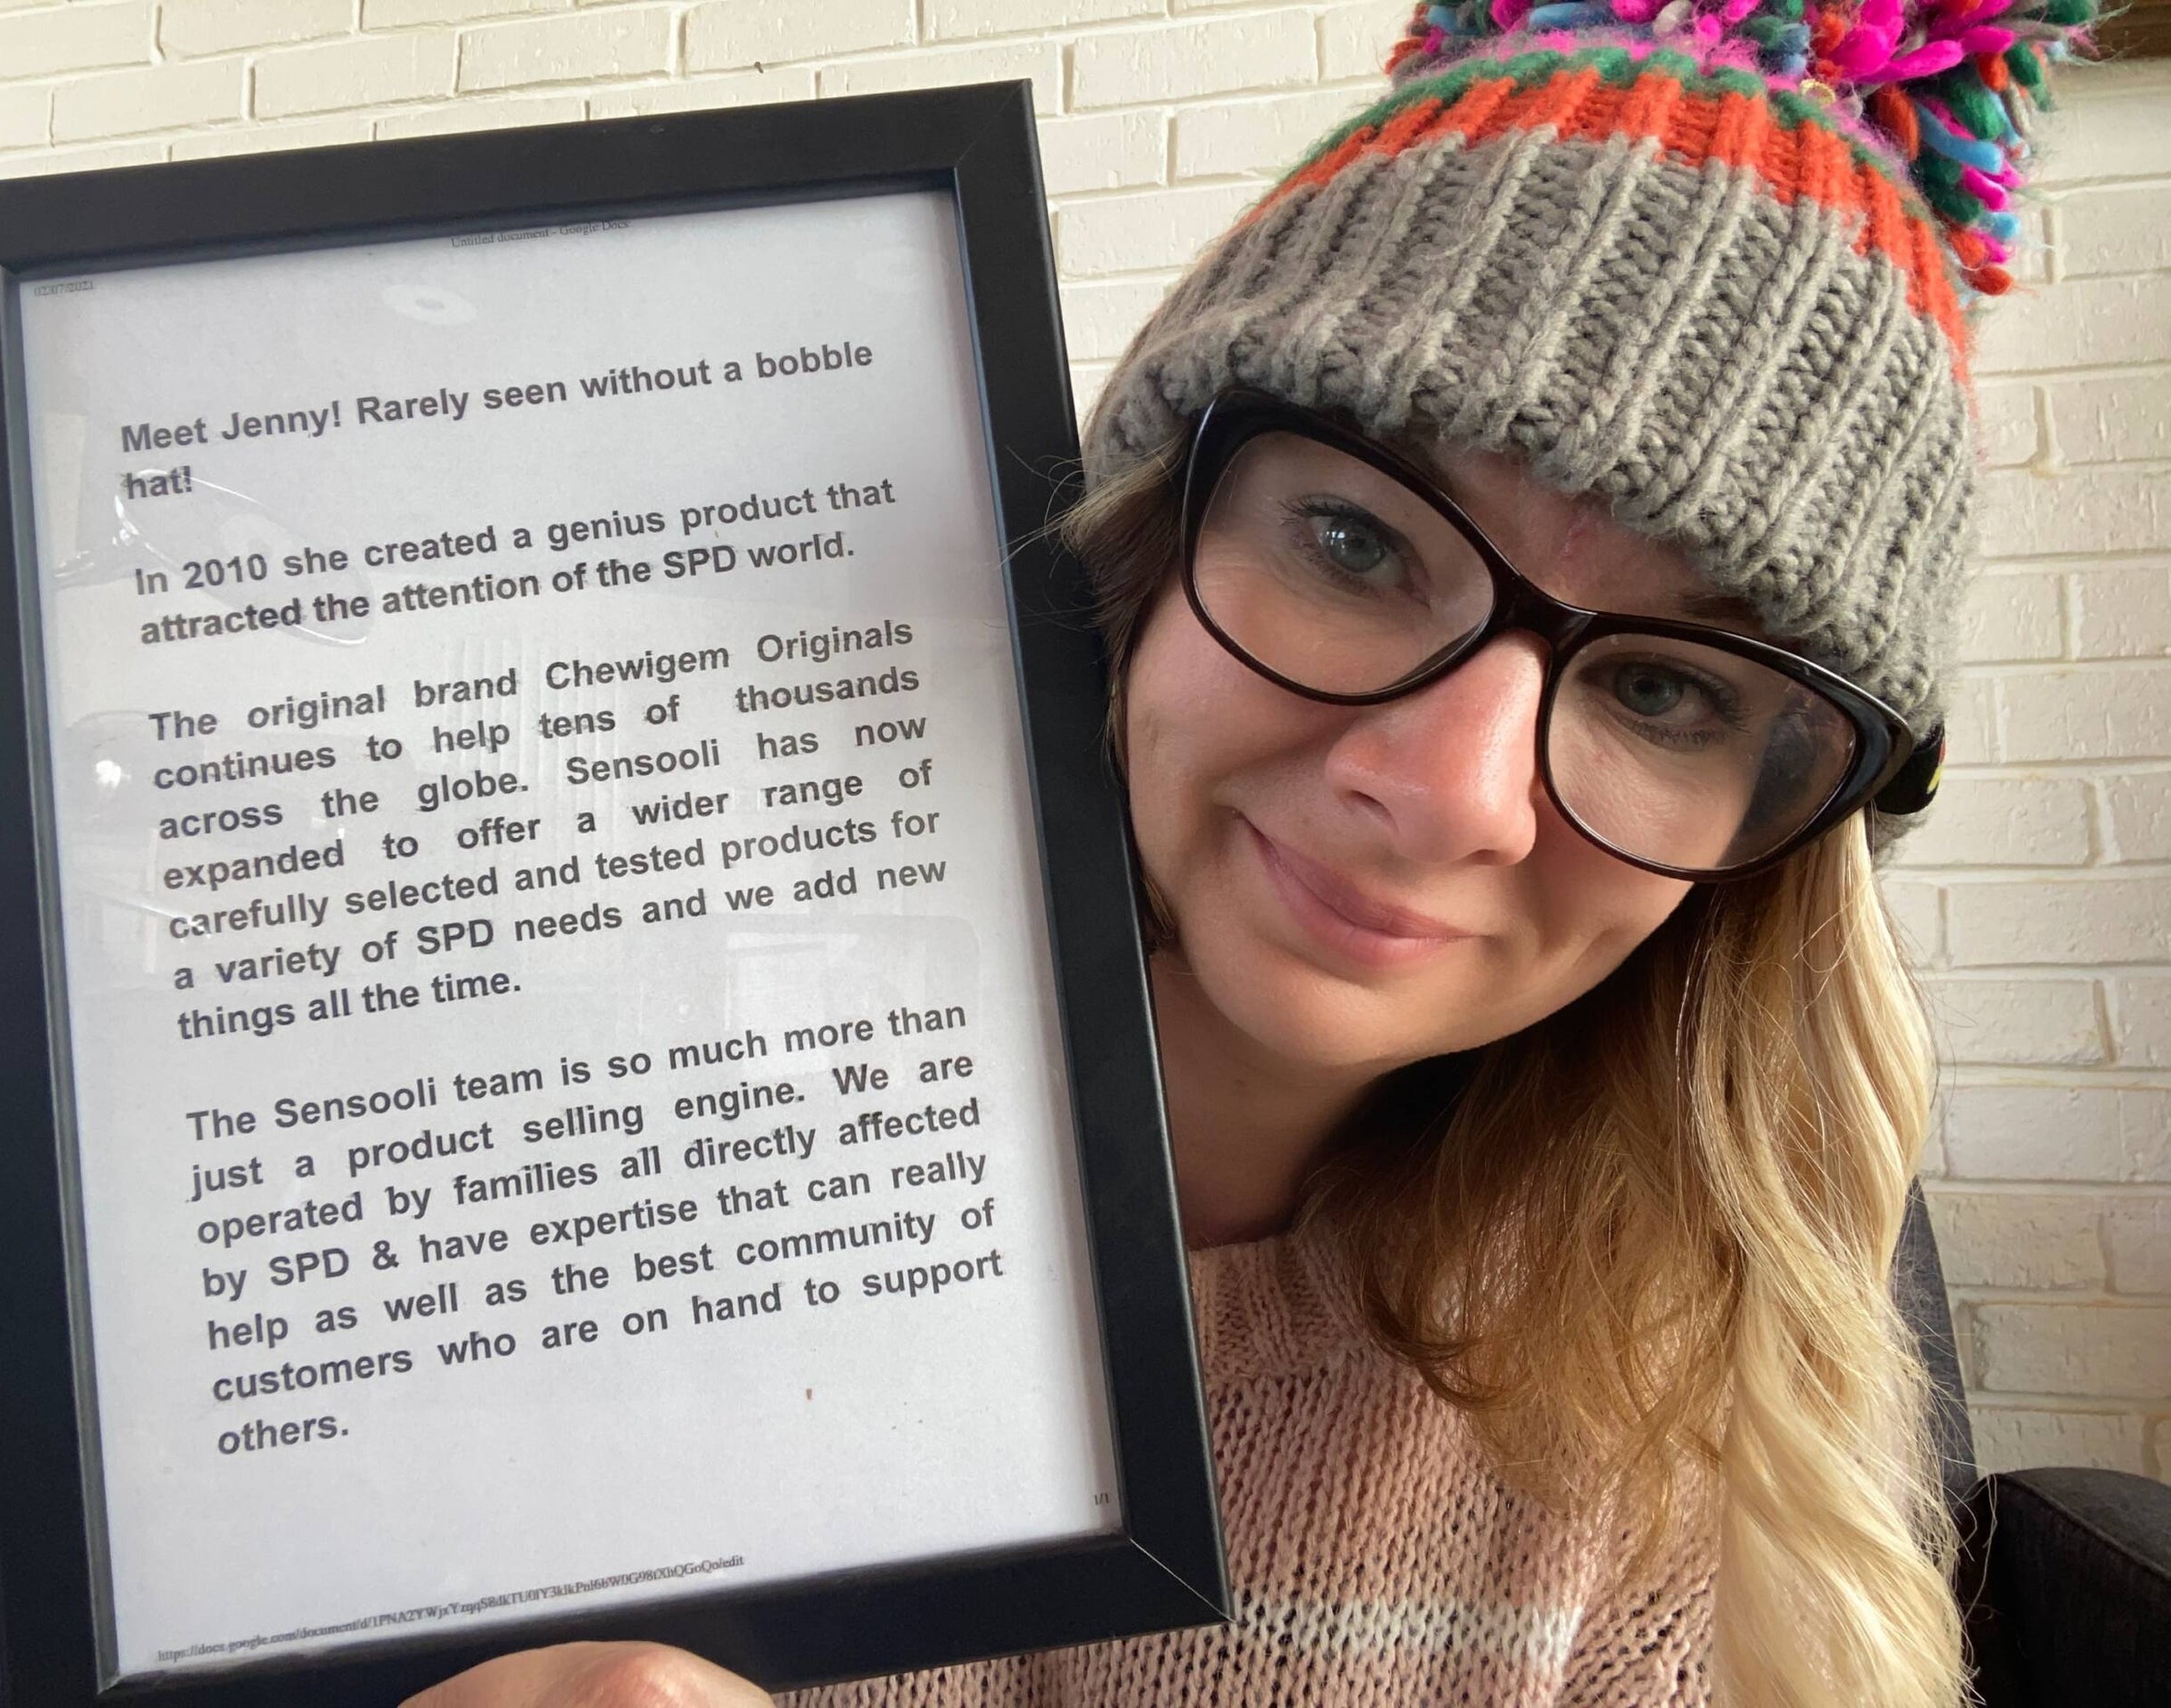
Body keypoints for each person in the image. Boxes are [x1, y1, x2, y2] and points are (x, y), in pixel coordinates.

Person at [414, 1, 2093, 1703]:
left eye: (1665, 691)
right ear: (1143, 543)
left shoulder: (1676, 1465)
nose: (1449, 793)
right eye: (1356, 541)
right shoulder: (532, 1199)